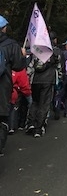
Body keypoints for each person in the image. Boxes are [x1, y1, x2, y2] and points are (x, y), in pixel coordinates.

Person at [0, 15, 26, 156]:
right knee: (2, 117)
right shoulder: (11, 45)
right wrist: (21, 55)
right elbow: (18, 66)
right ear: (4, 28)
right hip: (3, 87)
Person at [27, 44, 60, 137]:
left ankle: (31, 123)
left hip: (35, 80)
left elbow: (30, 67)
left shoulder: (36, 51)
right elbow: (59, 66)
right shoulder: (54, 53)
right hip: (48, 81)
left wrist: (28, 76)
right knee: (44, 104)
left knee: (35, 102)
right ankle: (39, 127)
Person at [9, 67, 32, 134]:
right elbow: (24, 84)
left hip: (6, 90)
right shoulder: (19, 68)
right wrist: (28, 93)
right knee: (13, 107)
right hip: (13, 91)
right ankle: (11, 126)